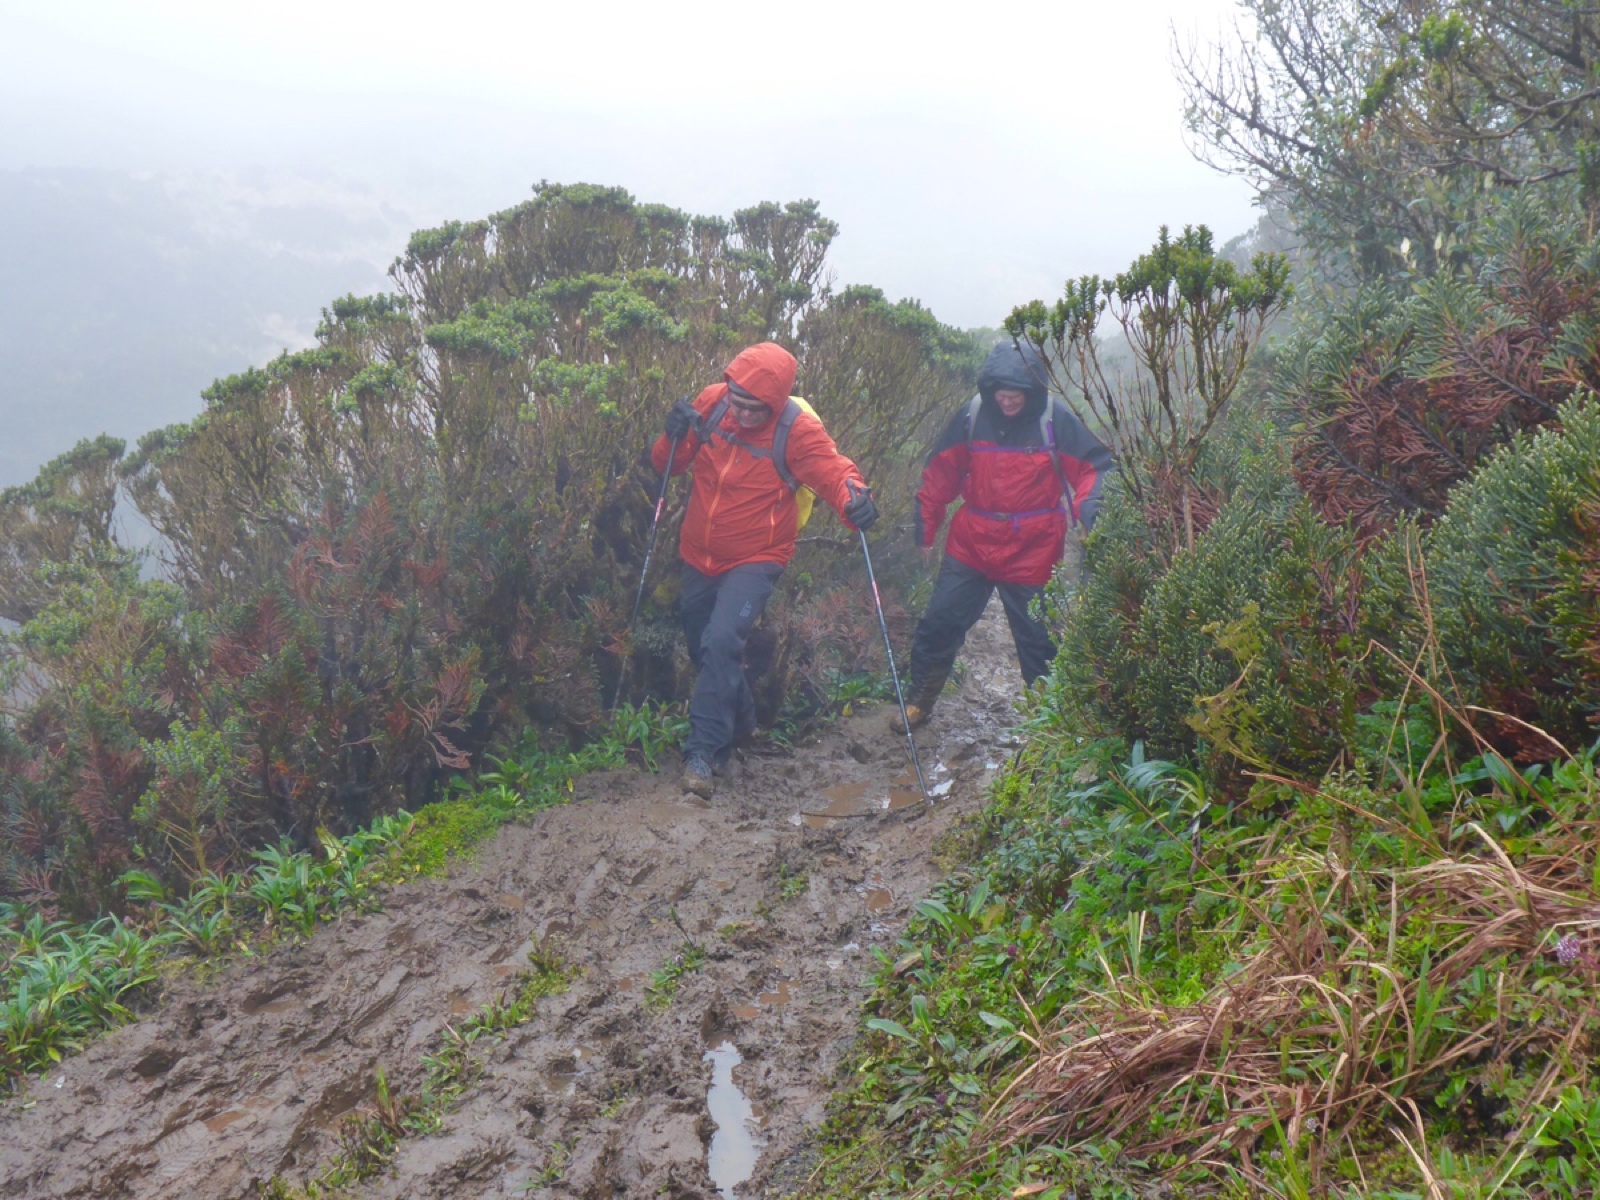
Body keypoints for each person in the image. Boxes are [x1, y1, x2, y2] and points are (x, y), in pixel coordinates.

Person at [653, 342, 879, 798]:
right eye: (738, 402)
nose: (742, 413)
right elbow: (667, 465)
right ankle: (743, 723)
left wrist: (855, 498)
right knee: (704, 647)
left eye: (754, 409)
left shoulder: (796, 430)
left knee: (721, 640)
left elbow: (834, 470)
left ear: (774, 404)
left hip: (758, 557)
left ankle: (702, 754)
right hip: (699, 551)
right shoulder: (713, 402)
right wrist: (671, 434)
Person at [893, 341, 1114, 733]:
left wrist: (1090, 514)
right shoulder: (972, 415)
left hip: (1033, 549)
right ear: (989, 388)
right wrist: (925, 529)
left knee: (1037, 642)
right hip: (971, 543)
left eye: (1016, 393)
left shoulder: (1054, 419)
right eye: (1001, 392)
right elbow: (940, 473)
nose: (1008, 400)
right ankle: (919, 701)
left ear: (1033, 390)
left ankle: (1050, 724)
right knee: (939, 622)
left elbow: (1093, 468)